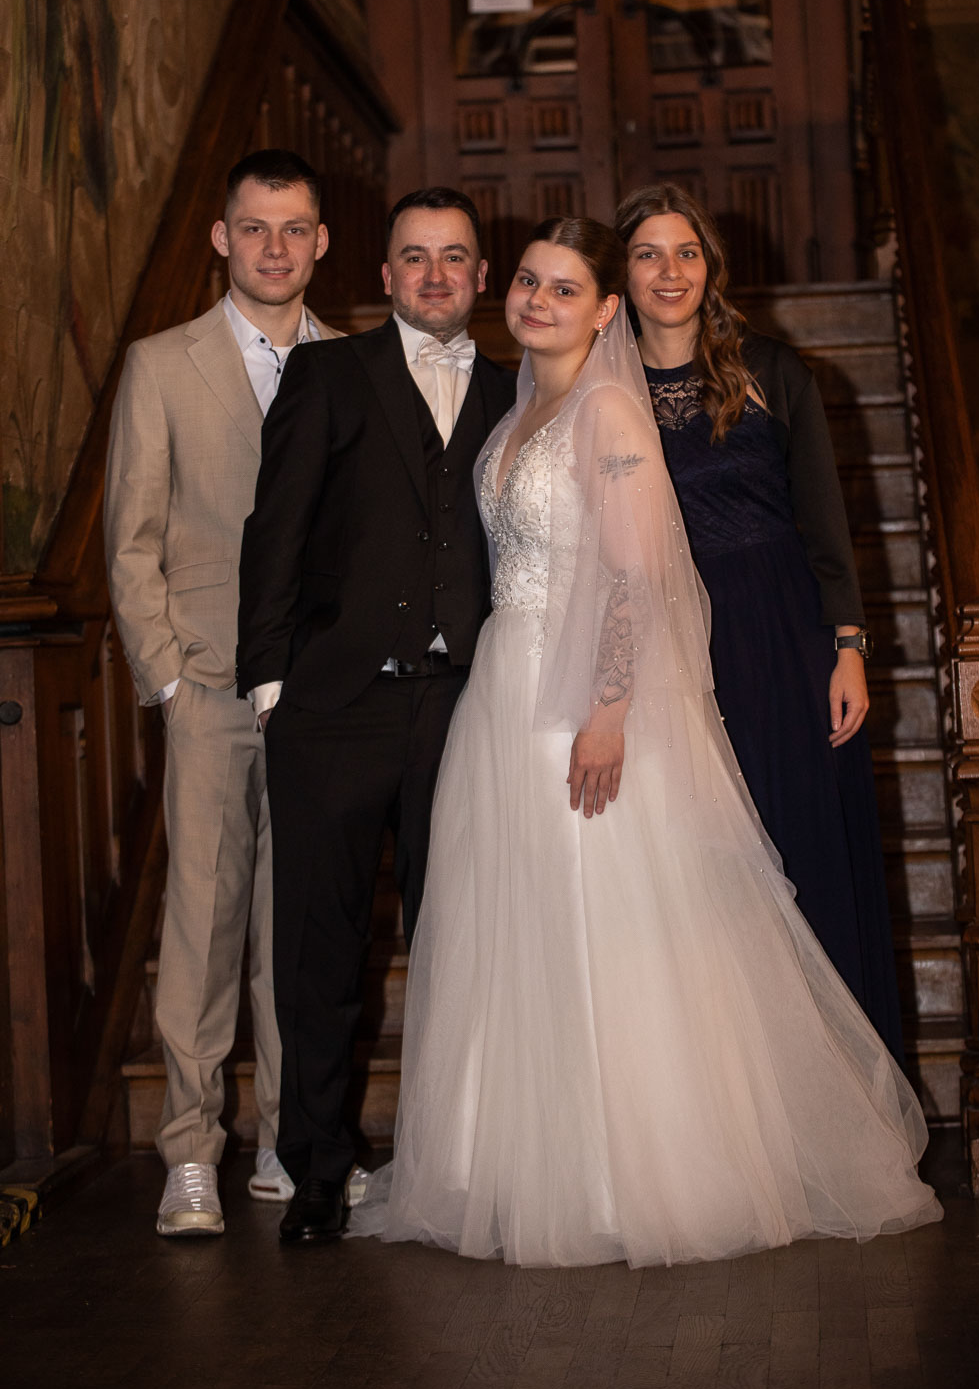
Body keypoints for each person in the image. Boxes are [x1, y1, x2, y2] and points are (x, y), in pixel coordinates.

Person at [348, 217, 940, 1266]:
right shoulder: (520, 411)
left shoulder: (608, 409)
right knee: (522, 920)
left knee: (608, 923)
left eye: (563, 287)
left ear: (604, 309)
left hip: (582, 697)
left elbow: (633, 572)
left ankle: (632, 1172)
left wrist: (610, 708)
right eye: (527, 281)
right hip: (506, 688)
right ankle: (517, 1159)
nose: (537, 300)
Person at [237, 187, 516, 1246]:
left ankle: (460, 1160)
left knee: (465, 940)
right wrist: (270, 684)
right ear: (385, 273)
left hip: (467, 706)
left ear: (481, 276)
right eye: (415, 256)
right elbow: (275, 531)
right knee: (321, 946)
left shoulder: (516, 391)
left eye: (454, 256)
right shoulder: (326, 374)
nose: (435, 274)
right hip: (333, 708)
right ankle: (315, 1166)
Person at [104, 148, 339, 1237]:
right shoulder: (162, 363)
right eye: (254, 227)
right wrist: (164, 674)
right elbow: (130, 537)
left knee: (299, 929)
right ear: (221, 237)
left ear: (321, 242)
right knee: (201, 923)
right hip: (205, 682)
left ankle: (289, 1140)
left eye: (293, 228)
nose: (273, 247)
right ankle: (190, 1149)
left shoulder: (355, 363)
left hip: (320, 696)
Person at [614, 183, 905, 1061]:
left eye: (686, 252)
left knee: (801, 851)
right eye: (648, 254)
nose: (670, 271)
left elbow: (824, 521)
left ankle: (842, 1079)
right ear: (621, 273)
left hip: (781, 638)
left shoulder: (771, 370)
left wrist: (847, 645)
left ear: (710, 266)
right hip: (671, 648)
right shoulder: (603, 386)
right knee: (706, 871)